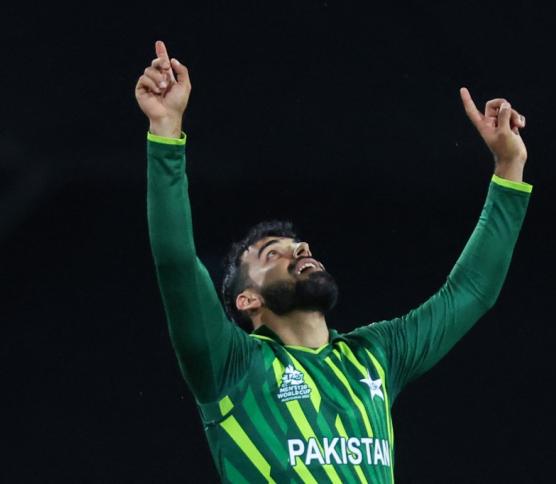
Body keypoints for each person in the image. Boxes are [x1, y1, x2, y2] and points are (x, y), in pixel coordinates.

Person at [136, 40, 532, 483]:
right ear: (248, 300)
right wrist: (165, 130)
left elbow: (473, 291)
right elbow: (175, 261)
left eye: (299, 245)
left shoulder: (375, 356)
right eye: (272, 253)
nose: (300, 249)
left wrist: (509, 165)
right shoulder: (231, 367)